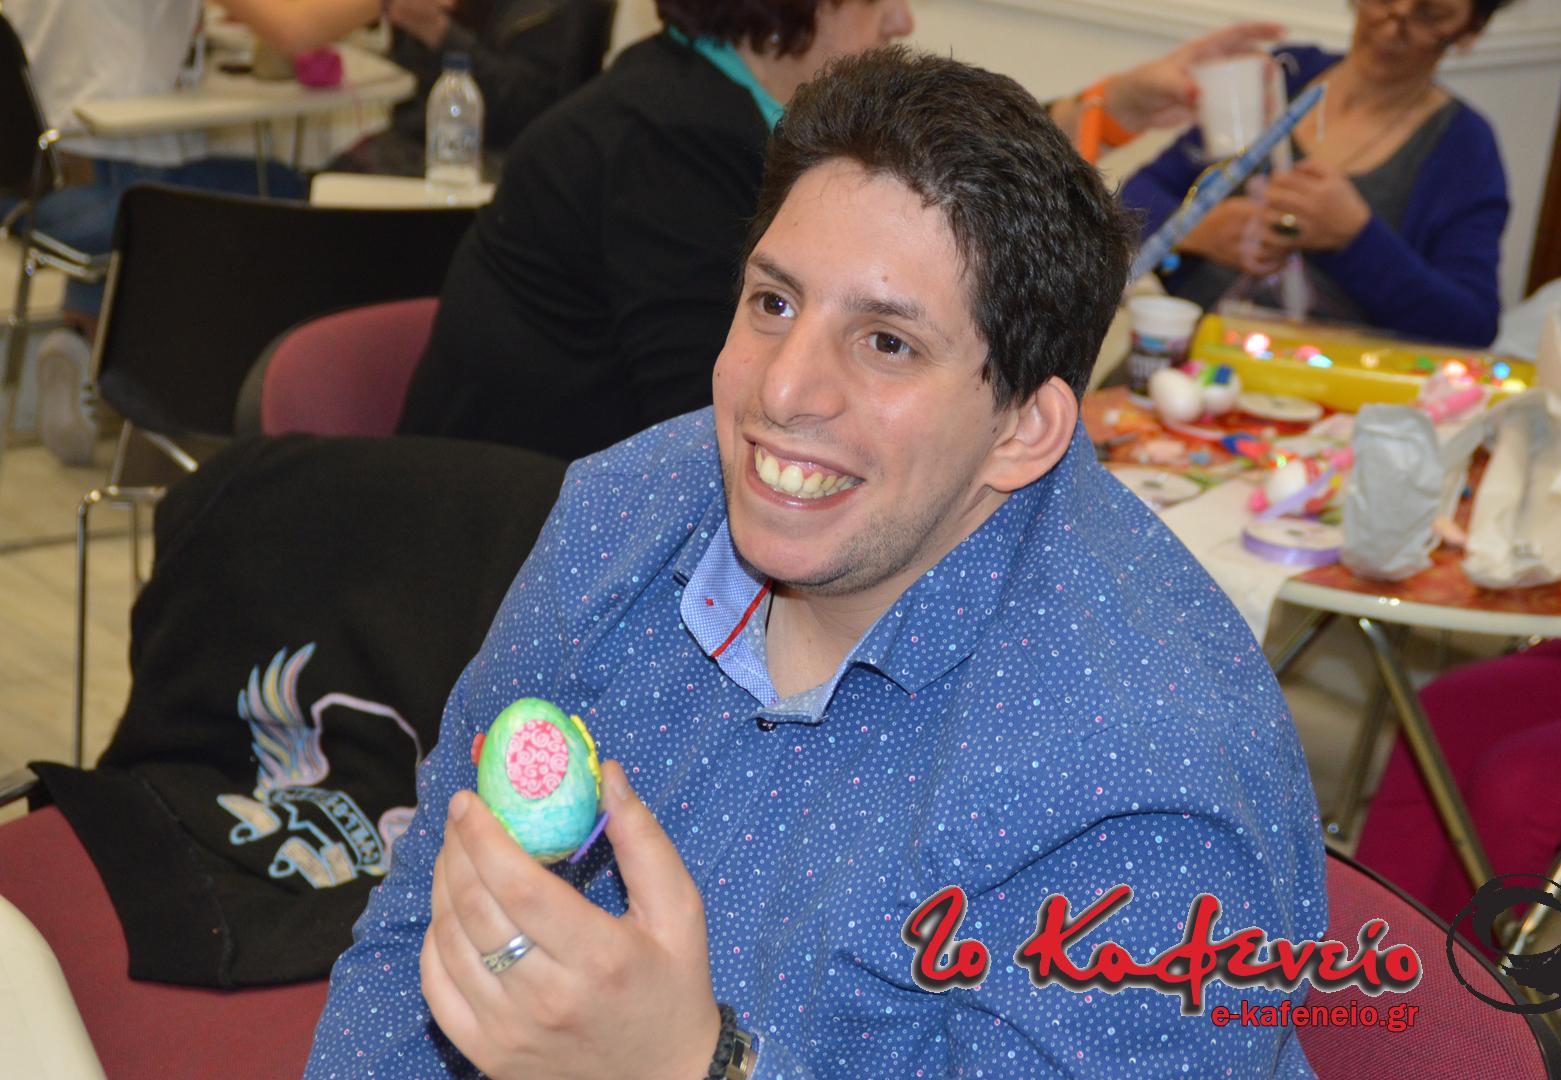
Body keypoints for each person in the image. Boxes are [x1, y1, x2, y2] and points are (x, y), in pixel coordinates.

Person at [307, 47, 1327, 1079]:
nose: (782, 391)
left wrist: (691, 1065)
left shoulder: (1144, 785)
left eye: (887, 343)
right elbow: (416, 935)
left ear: (1023, 429)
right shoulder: (626, 514)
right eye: (775, 303)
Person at [392, 1, 1283, 460]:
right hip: (511, 535)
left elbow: (926, 182)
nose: (902, 20)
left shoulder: (695, 95)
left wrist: (1111, 107)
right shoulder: (666, 145)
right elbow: (723, 424)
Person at [6, 0, 381, 463]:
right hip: (117, 189)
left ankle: (84, 337)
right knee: (286, 191)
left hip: (36, 189)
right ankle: (196, 383)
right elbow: (293, 29)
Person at [1122, 0, 1512, 348]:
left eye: (1429, 14)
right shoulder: (1283, 77)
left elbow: (1470, 326)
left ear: (1469, 30)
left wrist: (1355, 239)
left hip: (1329, 390)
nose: (1393, 26)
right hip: (1182, 358)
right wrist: (1199, 229)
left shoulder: (1464, 147)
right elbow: (1132, 199)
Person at [328, 0, 613, 177]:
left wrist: (437, 31)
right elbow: (415, 85)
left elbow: (522, 109)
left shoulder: (557, 11)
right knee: (336, 175)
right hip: (423, 141)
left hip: (492, 163)